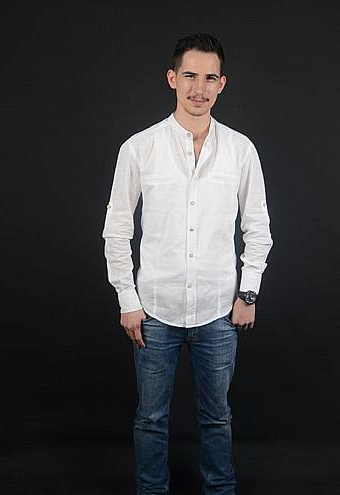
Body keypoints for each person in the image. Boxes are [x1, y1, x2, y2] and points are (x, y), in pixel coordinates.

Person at [102, 32, 273, 495]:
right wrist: (127, 299)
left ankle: (220, 490)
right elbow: (117, 228)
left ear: (222, 84)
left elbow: (257, 226)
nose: (199, 88)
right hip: (154, 311)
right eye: (190, 76)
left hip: (219, 310)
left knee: (218, 417)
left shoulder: (241, 150)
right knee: (150, 418)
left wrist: (248, 293)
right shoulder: (139, 148)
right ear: (172, 78)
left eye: (210, 78)